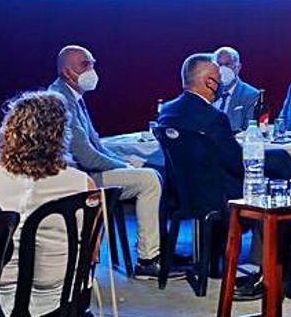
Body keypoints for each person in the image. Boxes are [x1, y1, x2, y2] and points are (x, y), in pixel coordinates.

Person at [48, 45, 169, 279]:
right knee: (150, 180)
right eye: (85, 65)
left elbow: (97, 146)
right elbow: (87, 156)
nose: (92, 70)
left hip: (87, 171)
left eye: (93, 63)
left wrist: (123, 162)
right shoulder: (61, 99)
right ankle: (147, 259)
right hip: (80, 178)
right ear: (66, 72)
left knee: (141, 166)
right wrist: (123, 166)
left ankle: (150, 251)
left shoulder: (73, 97)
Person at [0, 90, 94, 315]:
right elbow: (93, 253)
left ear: (10, 131)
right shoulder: (82, 184)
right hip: (60, 298)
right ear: (61, 134)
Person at [156, 53, 243, 218]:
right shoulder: (215, 117)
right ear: (210, 82)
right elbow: (236, 163)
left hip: (179, 192)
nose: (222, 84)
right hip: (216, 196)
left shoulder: (167, 111)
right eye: (219, 78)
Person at [213, 46, 261, 131]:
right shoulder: (207, 91)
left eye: (227, 64)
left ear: (238, 67)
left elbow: (249, 130)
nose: (223, 69)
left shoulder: (251, 95)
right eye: (219, 65)